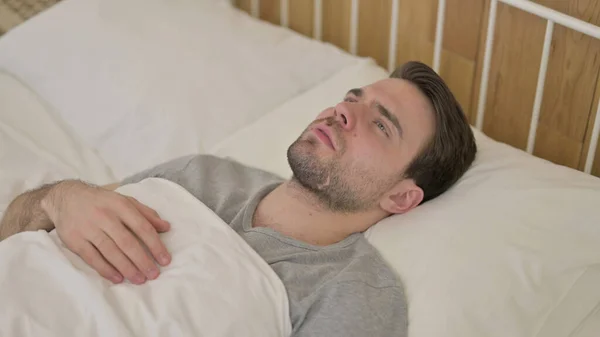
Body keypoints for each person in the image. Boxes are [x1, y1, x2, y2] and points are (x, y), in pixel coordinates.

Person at [0, 61, 476, 336]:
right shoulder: (200, 174)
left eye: (381, 124)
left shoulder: (354, 292)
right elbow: (12, 231)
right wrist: (59, 199)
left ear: (401, 197)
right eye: (353, 97)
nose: (344, 112)